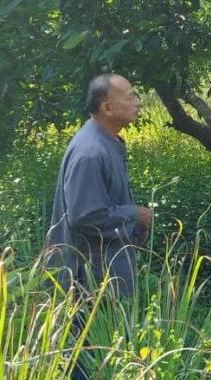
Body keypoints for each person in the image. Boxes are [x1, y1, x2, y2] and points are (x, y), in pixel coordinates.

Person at [45, 73, 153, 297]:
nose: (138, 102)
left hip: (105, 272)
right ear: (108, 108)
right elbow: (86, 216)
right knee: (93, 332)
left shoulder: (107, 140)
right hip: (90, 281)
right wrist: (135, 214)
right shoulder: (90, 152)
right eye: (131, 97)